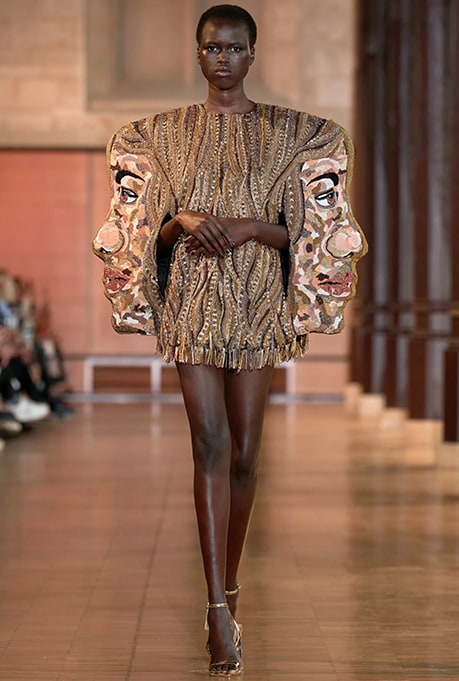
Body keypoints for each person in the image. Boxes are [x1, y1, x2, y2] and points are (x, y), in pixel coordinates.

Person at [93, 4, 367, 676]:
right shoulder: (161, 136)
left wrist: (246, 227)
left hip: (257, 303)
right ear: (197, 53)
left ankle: (231, 588)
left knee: (245, 453)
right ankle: (215, 608)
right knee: (210, 443)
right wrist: (184, 219)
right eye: (212, 47)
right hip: (192, 299)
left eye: (235, 48)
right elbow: (151, 233)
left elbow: (304, 233)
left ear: (252, 54)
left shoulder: (293, 135)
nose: (223, 58)